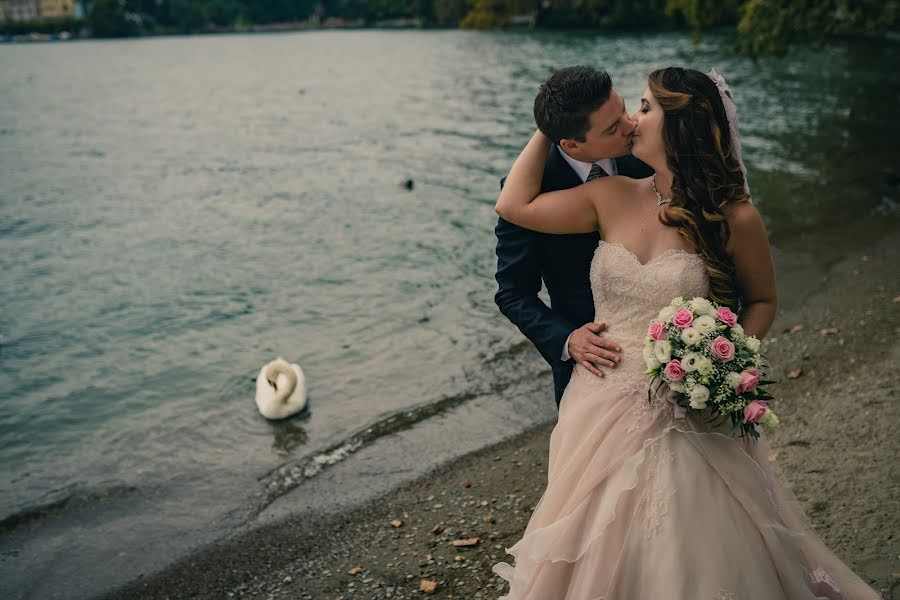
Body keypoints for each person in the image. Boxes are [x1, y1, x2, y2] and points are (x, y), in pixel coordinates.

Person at [491, 67, 881, 599]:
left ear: (680, 129)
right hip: (598, 398)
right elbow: (513, 208)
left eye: (645, 108)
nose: (632, 119)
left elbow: (762, 300)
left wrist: (725, 363)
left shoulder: (734, 215)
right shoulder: (609, 193)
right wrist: (550, 119)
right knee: (588, 535)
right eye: (631, 111)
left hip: (687, 400)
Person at [494, 66, 653, 408]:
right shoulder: (526, 194)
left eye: (623, 108)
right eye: (613, 128)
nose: (631, 125)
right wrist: (567, 339)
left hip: (661, 344)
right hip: (591, 363)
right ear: (569, 144)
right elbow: (513, 293)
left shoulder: (649, 156)